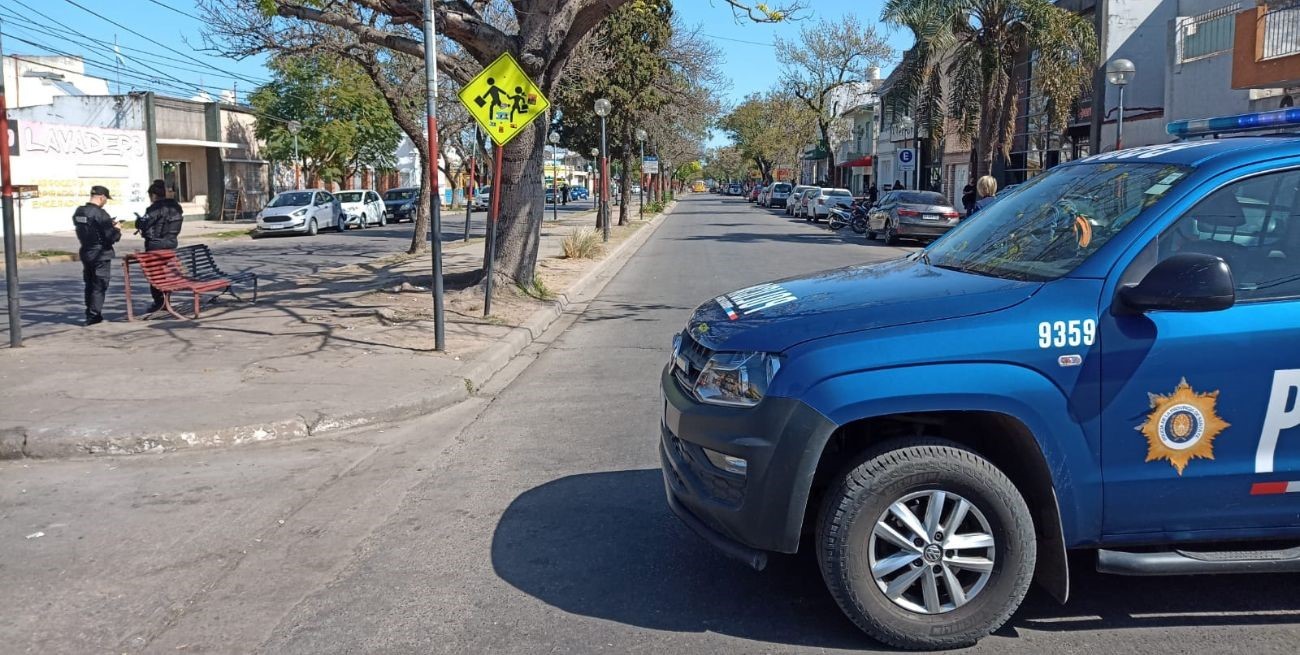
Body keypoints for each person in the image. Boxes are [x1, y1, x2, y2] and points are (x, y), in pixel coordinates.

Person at [73, 185, 121, 326]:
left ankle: (90, 312)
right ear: (102, 197)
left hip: (86, 251)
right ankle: (94, 316)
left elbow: (86, 228)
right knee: (99, 284)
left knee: (89, 283)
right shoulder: (101, 214)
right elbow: (111, 237)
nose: (105, 202)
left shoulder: (79, 211)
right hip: (101, 254)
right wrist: (117, 229)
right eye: (106, 199)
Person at [137, 179, 185, 313]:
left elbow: (143, 223)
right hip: (171, 244)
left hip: (155, 246)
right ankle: (165, 300)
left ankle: (159, 302)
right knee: (163, 274)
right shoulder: (176, 207)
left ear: (153, 195)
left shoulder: (154, 209)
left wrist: (138, 221)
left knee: (155, 275)